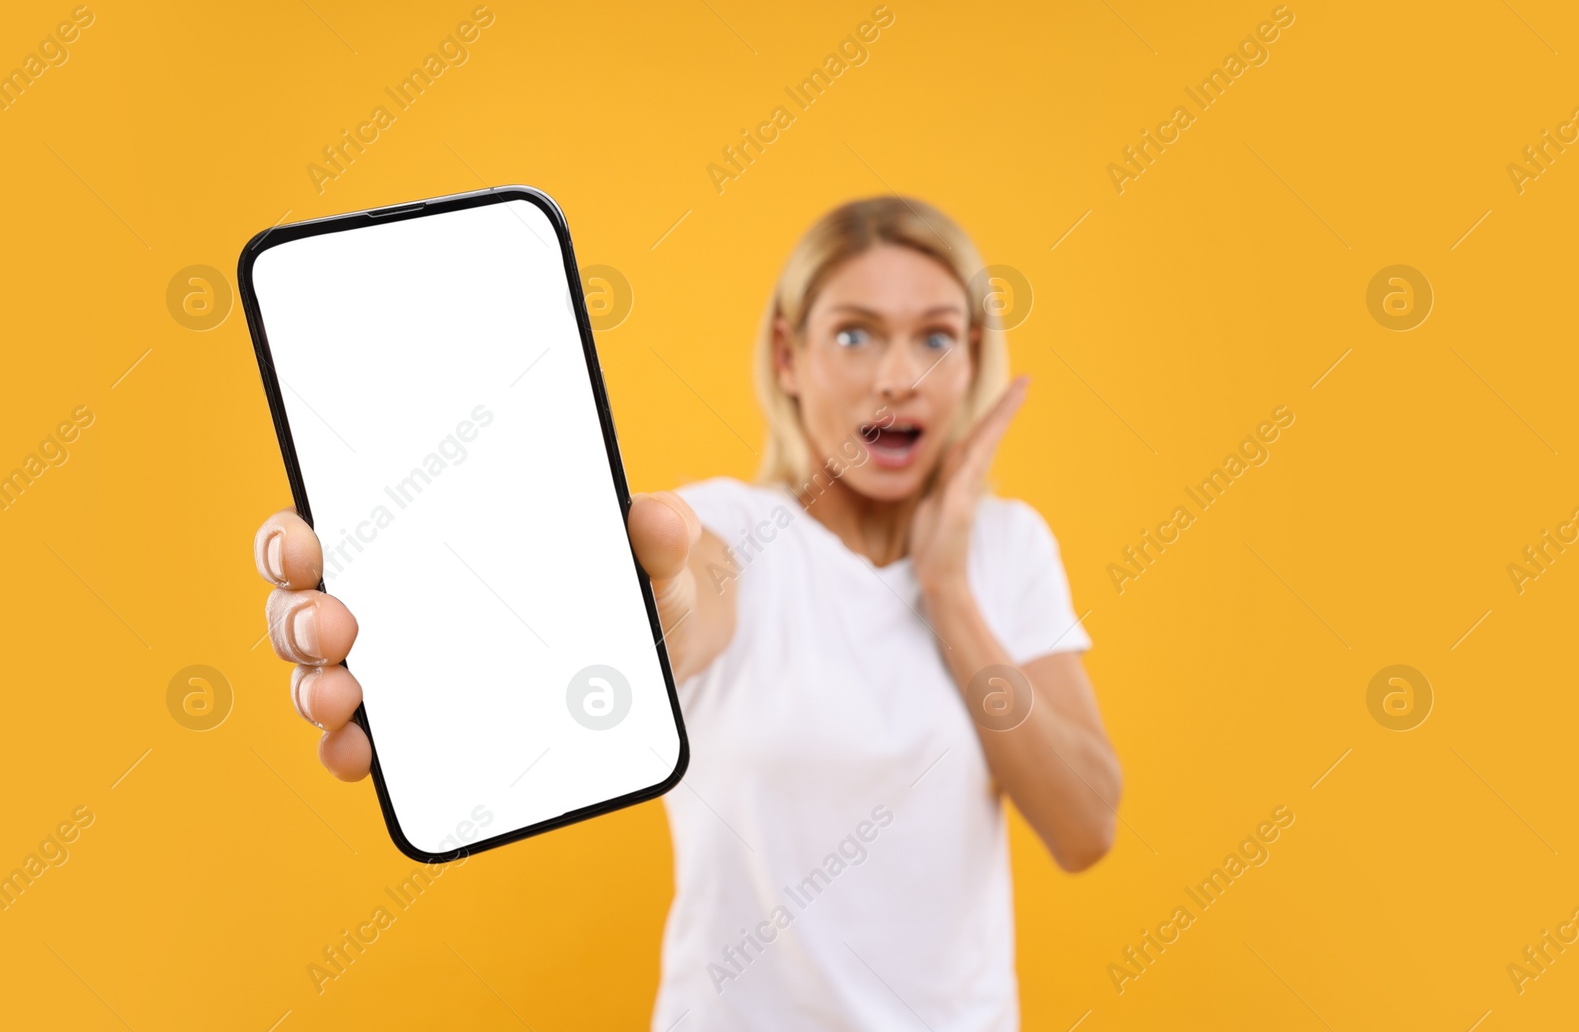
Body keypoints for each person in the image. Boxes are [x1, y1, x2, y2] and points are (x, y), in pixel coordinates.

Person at [253, 196, 1121, 1031]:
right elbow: (688, 599)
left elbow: (1085, 827)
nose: (899, 376)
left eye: (936, 336)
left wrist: (948, 590)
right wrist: (620, 620)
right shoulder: (733, 528)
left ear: (972, 358)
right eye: (854, 334)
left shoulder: (1009, 548)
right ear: (787, 354)